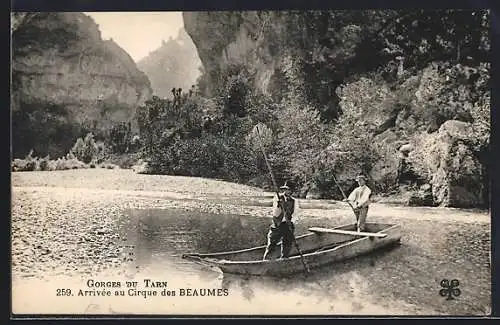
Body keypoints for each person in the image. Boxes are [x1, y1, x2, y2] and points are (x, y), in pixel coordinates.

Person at [262, 181, 300, 260]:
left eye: (288, 189)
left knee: (287, 243)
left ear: (291, 191)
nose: (286, 191)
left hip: (287, 224)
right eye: (285, 189)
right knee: (272, 243)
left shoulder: (294, 201)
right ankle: (266, 260)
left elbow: (295, 214)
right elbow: (275, 213)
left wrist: (291, 222)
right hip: (278, 224)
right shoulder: (277, 198)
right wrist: (279, 205)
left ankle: (284, 259)